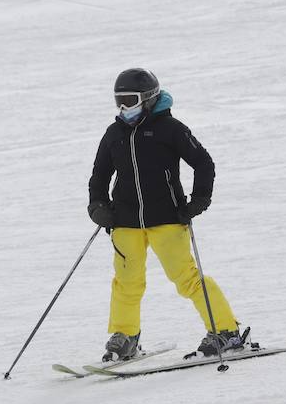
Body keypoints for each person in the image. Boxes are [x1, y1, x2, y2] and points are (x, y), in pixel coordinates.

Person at [87, 68, 243, 362]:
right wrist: (97, 206)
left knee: (186, 279)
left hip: (168, 219)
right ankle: (126, 336)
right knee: (126, 281)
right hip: (125, 222)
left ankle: (226, 331)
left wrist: (198, 201)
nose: (123, 107)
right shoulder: (114, 134)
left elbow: (204, 163)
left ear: (147, 99)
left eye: (129, 100)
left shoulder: (170, 129)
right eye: (118, 100)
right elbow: (100, 175)